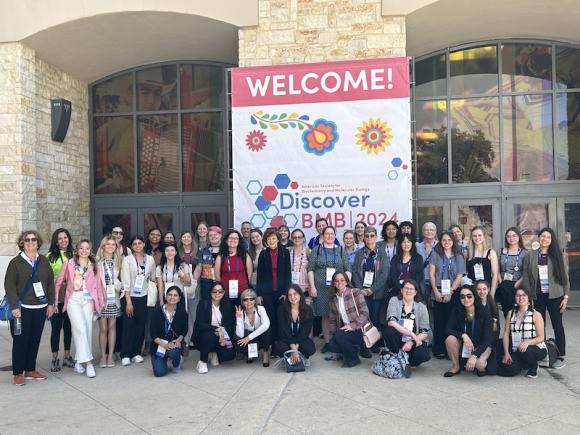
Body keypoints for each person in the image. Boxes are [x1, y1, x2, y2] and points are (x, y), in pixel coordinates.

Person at [5, 230, 55, 386]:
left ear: (38, 243)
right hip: (22, 308)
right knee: (21, 341)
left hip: (40, 307)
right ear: (22, 242)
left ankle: (30, 370)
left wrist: (51, 304)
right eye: (27, 240)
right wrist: (14, 306)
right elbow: (9, 286)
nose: (31, 242)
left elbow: (50, 284)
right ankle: (18, 373)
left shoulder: (44, 261)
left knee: (35, 339)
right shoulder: (16, 262)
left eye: (34, 240)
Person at [519, 227, 568, 369]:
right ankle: (543, 352)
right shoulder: (531, 255)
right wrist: (529, 296)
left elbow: (565, 277)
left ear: (551, 240)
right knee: (540, 325)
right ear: (539, 238)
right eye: (542, 236)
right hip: (538, 295)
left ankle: (560, 354)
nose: (544, 239)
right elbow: (527, 277)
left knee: (557, 324)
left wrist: (565, 296)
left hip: (555, 296)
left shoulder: (558, 255)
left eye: (548, 237)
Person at [55, 239, 104, 378]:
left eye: (87, 248)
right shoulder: (69, 264)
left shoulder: (94, 266)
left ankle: (78, 363)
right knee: (80, 329)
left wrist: (100, 302)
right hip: (73, 300)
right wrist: (55, 301)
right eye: (81, 248)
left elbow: (98, 286)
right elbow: (58, 283)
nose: (84, 250)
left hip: (88, 300)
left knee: (86, 331)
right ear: (77, 250)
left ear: (90, 250)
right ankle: (88, 363)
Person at [307, 226, 351, 351]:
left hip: (337, 288)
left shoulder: (341, 250)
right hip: (320, 288)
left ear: (335, 235)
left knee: (339, 314)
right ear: (323, 234)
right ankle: (328, 342)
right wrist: (312, 287)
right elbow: (310, 269)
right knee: (325, 315)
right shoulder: (317, 249)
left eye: (332, 233)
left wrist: (345, 285)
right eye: (327, 233)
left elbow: (348, 269)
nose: (330, 236)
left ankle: (340, 341)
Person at [120, 235, 156, 366]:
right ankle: (126, 354)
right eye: (134, 244)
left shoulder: (150, 259)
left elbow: (152, 277)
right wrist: (128, 302)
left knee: (141, 326)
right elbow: (125, 281)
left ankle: (136, 353)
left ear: (143, 244)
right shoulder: (127, 260)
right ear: (131, 246)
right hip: (129, 297)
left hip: (144, 296)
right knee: (129, 326)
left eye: (139, 243)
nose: (137, 246)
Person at [429, 231, 466, 359]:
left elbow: (459, 276)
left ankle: (450, 350)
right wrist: (435, 291)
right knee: (439, 321)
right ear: (440, 241)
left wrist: (450, 291)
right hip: (438, 291)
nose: (447, 242)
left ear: (453, 241)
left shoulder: (459, 255)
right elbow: (431, 274)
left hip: (453, 292)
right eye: (444, 240)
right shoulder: (436, 254)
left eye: (449, 240)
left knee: (451, 322)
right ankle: (439, 349)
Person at [444, 285, 493, 377]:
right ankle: (456, 367)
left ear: (474, 296)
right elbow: (448, 329)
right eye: (462, 297)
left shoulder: (484, 312)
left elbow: (488, 338)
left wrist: (475, 355)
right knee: (450, 339)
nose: (466, 299)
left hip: (481, 345)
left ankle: (480, 366)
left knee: (479, 364)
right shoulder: (457, 310)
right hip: (465, 345)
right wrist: (464, 335)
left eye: (469, 296)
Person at [498, 289, 547, 378]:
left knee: (526, 351)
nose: (521, 298)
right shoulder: (511, 313)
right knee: (511, 370)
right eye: (518, 295)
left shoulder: (536, 314)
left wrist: (527, 343)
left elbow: (541, 338)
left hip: (535, 348)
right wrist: (506, 353)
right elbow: (505, 334)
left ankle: (533, 366)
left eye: (524, 295)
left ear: (529, 298)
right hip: (517, 348)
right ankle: (524, 363)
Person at [383, 279, 431, 367]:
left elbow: (424, 332)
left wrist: (412, 341)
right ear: (401, 290)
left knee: (423, 354)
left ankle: (408, 362)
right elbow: (391, 322)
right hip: (397, 339)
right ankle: (396, 356)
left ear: (415, 292)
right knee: (389, 331)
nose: (408, 291)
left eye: (411, 289)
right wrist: (411, 334)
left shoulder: (422, 306)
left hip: (413, 341)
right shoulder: (394, 300)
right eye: (406, 288)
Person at [326, 271, 369, 368]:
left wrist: (353, 325)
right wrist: (333, 335)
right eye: (336, 281)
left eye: (342, 280)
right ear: (333, 283)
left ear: (346, 281)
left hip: (360, 329)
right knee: (332, 345)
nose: (339, 283)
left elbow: (365, 312)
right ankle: (351, 350)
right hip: (346, 330)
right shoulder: (333, 298)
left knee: (340, 336)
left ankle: (353, 359)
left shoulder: (355, 292)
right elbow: (332, 318)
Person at [256, 228, 291, 346]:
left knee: (281, 318)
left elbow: (288, 274)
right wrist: (259, 294)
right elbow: (259, 275)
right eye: (269, 239)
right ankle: (269, 344)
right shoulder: (263, 254)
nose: (271, 241)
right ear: (266, 240)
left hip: (281, 292)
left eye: (273, 238)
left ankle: (280, 344)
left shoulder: (285, 253)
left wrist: (286, 292)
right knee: (269, 318)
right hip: (267, 293)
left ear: (278, 239)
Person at [46, 228, 74, 372]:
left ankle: (67, 356)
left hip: (71, 296)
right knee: (56, 329)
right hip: (57, 297)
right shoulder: (50, 256)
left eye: (65, 238)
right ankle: (55, 358)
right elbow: (47, 280)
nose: (63, 240)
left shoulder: (75, 254)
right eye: (60, 239)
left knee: (69, 327)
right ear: (56, 242)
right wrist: (50, 302)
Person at [352, 226, 389, 330]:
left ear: (376, 237)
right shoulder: (359, 253)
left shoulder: (382, 252)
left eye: (372, 236)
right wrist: (362, 289)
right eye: (367, 236)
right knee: (364, 318)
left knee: (375, 317)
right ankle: (365, 342)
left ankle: (375, 343)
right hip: (363, 292)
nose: (369, 238)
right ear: (363, 238)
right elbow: (354, 271)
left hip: (376, 292)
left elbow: (384, 273)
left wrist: (372, 290)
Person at [193, 282, 236, 374]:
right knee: (209, 336)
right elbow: (199, 324)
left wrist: (224, 337)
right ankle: (202, 361)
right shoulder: (203, 304)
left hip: (222, 334)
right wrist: (216, 329)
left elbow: (229, 324)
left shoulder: (227, 305)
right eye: (214, 291)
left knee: (230, 354)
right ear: (210, 292)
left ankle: (213, 353)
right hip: (205, 335)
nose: (217, 294)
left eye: (220, 292)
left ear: (224, 293)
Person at [96, 235, 123, 368]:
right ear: (103, 246)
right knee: (103, 328)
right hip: (102, 299)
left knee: (112, 327)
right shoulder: (97, 263)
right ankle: (102, 356)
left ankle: (110, 355)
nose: (111, 246)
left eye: (113, 244)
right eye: (108, 244)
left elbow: (123, 280)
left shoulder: (119, 262)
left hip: (114, 299)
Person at [150, 286, 188, 377]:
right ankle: (163, 359)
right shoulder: (157, 312)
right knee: (160, 373)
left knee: (173, 352)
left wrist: (178, 340)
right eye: (170, 295)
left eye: (175, 295)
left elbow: (185, 329)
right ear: (166, 296)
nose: (172, 297)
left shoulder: (182, 312)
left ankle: (176, 363)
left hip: (174, 344)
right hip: (159, 345)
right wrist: (164, 345)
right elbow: (152, 333)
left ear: (179, 298)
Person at [273, 284, 316, 361]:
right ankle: (292, 356)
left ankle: (297, 355)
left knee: (310, 348)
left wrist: (295, 350)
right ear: (287, 297)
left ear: (300, 294)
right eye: (290, 295)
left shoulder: (308, 310)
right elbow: (284, 331)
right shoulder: (282, 310)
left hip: (301, 340)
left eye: (295, 294)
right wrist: (293, 349)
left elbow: (305, 332)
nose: (292, 297)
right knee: (279, 347)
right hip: (286, 340)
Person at [214, 229, 252, 307]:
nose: (233, 240)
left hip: (243, 293)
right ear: (226, 241)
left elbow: (249, 275)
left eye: (235, 238)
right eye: (230, 238)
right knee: (228, 317)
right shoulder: (220, 257)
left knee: (241, 316)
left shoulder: (245, 256)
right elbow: (217, 276)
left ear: (239, 241)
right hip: (226, 293)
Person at [234, 289, 271, 366]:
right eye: (245, 300)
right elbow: (240, 335)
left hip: (260, 338)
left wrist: (249, 338)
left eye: (251, 299)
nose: (249, 302)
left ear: (255, 300)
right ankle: (250, 353)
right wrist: (238, 319)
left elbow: (266, 325)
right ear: (242, 301)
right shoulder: (241, 313)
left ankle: (265, 353)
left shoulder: (260, 309)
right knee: (237, 342)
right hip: (251, 340)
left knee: (266, 330)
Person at [497, 227, 527, 317]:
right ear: (506, 238)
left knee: (517, 311)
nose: (511, 238)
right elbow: (496, 270)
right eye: (509, 236)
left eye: (514, 236)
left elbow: (526, 273)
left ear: (519, 237)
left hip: (518, 285)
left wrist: (515, 285)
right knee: (507, 313)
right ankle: (508, 329)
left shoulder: (525, 253)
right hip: (504, 285)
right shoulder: (501, 251)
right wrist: (501, 283)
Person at [177, 231, 198, 353]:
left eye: (188, 236)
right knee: (183, 313)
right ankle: (184, 340)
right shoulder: (177, 253)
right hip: (181, 285)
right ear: (181, 239)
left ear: (191, 239)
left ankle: (192, 338)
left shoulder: (197, 252)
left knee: (193, 313)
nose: (186, 238)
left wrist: (193, 281)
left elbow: (200, 266)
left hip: (195, 285)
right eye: (183, 236)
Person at [387, 234, 424, 299]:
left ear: (412, 244)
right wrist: (401, 288)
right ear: (400, 244)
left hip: (412, 292)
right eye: (403, 242)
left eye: (408, 242)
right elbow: (392, 275)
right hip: (397, 291)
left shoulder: (418, 258)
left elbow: (420, 276)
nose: (406, 244)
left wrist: (410, 288)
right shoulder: (395, 258)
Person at [465, 226, 499, 297]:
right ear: (471, 238)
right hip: (472, 290)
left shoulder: (491, 253)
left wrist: (492, 293)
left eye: (479, 235)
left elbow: (495, 274)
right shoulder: (468, 253)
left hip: (486, 290)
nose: (477, 238)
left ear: (484, 237)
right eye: (474, 236)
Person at [193, 226, 222, 301]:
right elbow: (198, 270)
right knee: (206, 306)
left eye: (215, 235)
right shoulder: (203, 251)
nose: (213, 237)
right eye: (210, 235)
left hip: (223, 282)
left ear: (220, 235)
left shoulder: (226, 251)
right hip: (206, 284)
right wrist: (192, 283)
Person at [416, 222, 438, 301]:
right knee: (422, 303)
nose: (429, 232)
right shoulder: (417, 246)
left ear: (435, 232)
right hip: (423, 280)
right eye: (426, 230)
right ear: (423, 232)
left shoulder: (440, 246)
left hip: (437, 279)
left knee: (437, 303)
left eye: (431, 230)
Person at [289, 229, 310, 298]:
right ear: (291, 239)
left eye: (299, 237)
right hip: (291, 289)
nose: (297, 239)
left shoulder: (309, 252)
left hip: (306, 289)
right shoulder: (287, 251)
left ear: (303, 239)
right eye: (294, 237)